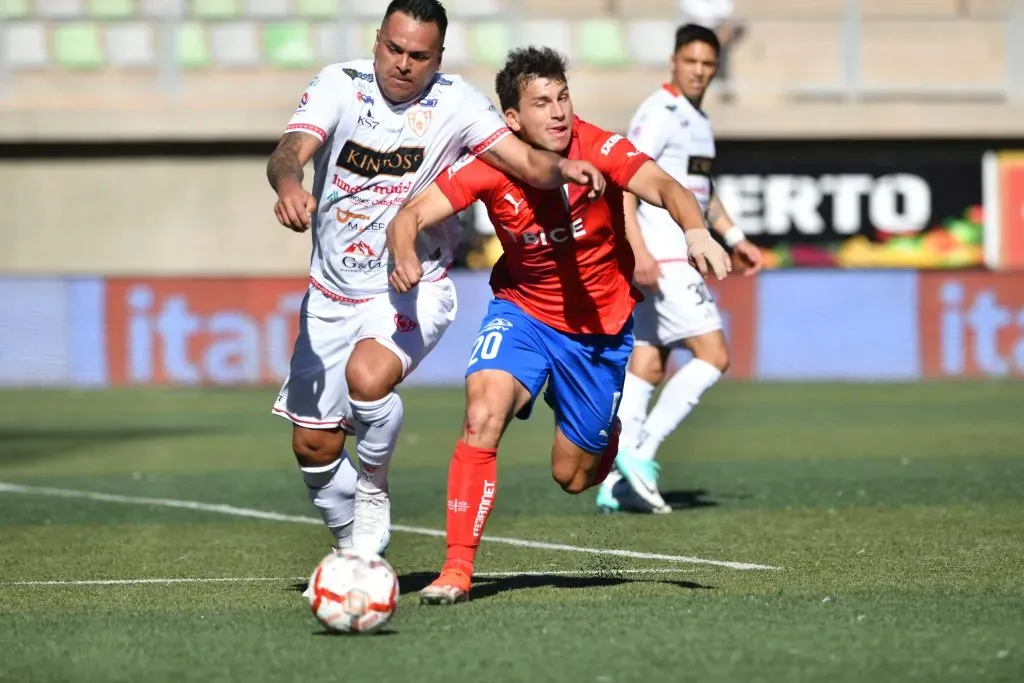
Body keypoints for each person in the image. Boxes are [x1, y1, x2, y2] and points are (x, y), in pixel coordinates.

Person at [384, 46, 732, 604]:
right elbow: (413, 214)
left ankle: (607, 438)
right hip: (522, 312)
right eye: (541, 102)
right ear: (513, 120)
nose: (558, 112)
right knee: (482, 411)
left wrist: (695, 231)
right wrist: (403, 251)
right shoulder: (490, 163)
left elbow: (666, 187)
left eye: (563, 96)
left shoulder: (601, 147)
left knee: (572, 477)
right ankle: (456, 570)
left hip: (599, 332)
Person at [265, 0, 604, 558]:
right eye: (393, 49)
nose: (402, 63)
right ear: (377, 41)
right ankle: (355, 558)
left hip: (414, 284)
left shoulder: (457, 104)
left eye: (418, 55)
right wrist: (288, 185)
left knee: (367, 376)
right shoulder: (337, 86)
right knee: (314, 446)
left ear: (437, 57)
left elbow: (523, 161)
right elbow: (289, 151)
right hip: (329, 293)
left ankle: (373, 487)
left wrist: (563, 168)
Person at [596, 24, 763, 515]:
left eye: (707, 63)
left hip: (669, 254)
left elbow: (701, 194)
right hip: (665, 254)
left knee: (648, 362)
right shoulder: (660, 112)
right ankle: (639, 453)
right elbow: (625, 177)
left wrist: (735, 239)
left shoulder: (697, 119)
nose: (698, 70)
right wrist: (637, 248)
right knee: (714, 355)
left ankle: (612, 482)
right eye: (690, 61)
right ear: (673, 61)